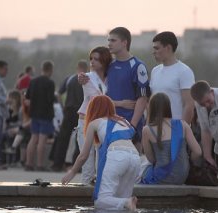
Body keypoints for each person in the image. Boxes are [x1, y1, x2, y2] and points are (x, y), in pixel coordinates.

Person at [62, 95, 140, 211]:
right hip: (135, 158)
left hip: (117, 155)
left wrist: (72, 172)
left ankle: (126, 202)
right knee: (122, 204)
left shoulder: (94, 123)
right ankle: (127, 205)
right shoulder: (123, 121)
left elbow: (84, 155)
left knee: (101, 201)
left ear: (92, 110)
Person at [79, 27, 150, 149]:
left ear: (124, 43)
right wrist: (81, 77)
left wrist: (132, 126)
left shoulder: (138, 66)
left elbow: (142, 99)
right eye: (108, 40)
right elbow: (94, 78)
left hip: (130, 124)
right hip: (107, 123)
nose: (109, 44)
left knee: (131, 163)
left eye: (113, 40)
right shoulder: (108, 65)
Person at [139, 93, 202, 184]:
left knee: (142, 170)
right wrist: (187, 160)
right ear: (168, 106)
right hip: (182, 176)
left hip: (162, 177)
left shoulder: (147, 130)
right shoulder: (182, 125)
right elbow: (198, 152)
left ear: (152, 108)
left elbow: (151, 159)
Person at [77, 46, 112, 184]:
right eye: (91, 58)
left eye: (96, 59)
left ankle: (100, 197)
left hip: (102, 124)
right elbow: (81, 77)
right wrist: (80, 77)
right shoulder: (86, 77)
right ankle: (86, 202)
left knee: (102, 163)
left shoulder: (112, 79)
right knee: (87, 165)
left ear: (104, 60)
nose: (92, 62)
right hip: (85, 122)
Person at [150, 31, 195, 124]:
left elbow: (189, 105)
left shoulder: (184, 71)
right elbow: (151, 103)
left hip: (175, 128)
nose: (153, 52)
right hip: (155, 129)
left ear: (168, 48)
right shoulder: (155, 71)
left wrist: (181, 131)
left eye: (157, 48)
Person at [50, 60, 86, 172]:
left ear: (77, 67)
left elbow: (58, 94)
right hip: (81, 112)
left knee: (63, 138)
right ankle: (77, 165)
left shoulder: (69, 78)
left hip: (68, 110)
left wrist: (62, 106)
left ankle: (57, 164)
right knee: (79, 138)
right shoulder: (87, 79)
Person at [24, 60, 55, 171]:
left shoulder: (33, 81)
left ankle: (29, 164)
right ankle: (40, 165)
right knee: (42, 140)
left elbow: (27, 98)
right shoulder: (50, 83)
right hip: (45, 115)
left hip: (34, 114)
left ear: (42, 69)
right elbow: (50, 100)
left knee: (33, 139)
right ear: (50, 70)